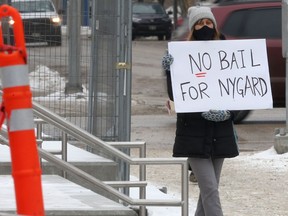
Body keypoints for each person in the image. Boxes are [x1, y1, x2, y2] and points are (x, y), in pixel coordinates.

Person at [162, 6, 239, 216]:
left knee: (208, 192)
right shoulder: (183, 54)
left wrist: (227, 114)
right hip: (193, 133)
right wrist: (170, 71)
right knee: (210, 190)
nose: (204, 27)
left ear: (214, 25)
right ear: (192, 27)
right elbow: (176, 94)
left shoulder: (228, 53)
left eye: (208, 22)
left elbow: (238, 91)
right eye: (199, 23)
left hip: (220, 133)